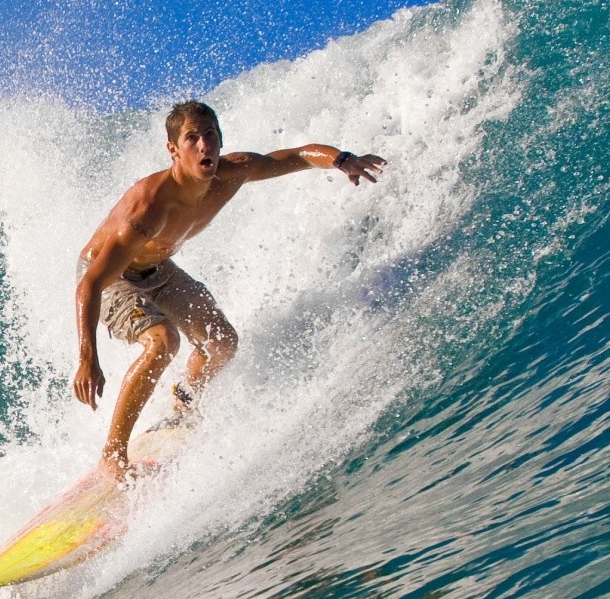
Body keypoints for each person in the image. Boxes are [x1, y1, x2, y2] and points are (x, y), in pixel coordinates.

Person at [73, 100, 385, 478]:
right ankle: (113, 455)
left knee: (222, 340)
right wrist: (88, 358)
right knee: (163, 342)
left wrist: (342, 159)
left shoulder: (232, 172)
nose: (204, 145)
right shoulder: (149, 207)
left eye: (211, 135)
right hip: (110, 275)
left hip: (158, 268)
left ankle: (184, 402)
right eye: (192, 138)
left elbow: (297, 156)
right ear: (173, 149)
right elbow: (91, 283)